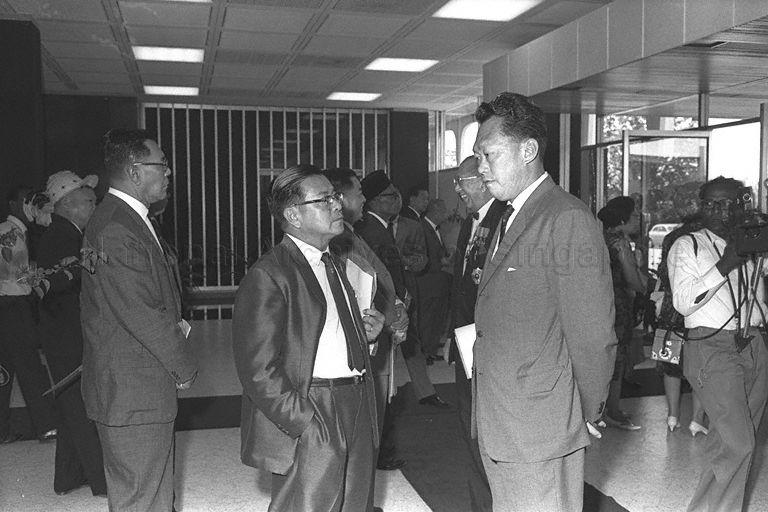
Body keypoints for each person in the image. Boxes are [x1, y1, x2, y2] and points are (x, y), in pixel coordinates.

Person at [472, 92, 616, 512]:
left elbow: (592, 331)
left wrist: (585, 411)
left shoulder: (565, 217)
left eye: (489, 154)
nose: (481, 168)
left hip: (541, 425)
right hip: (504, 417)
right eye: (478, 157)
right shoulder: (512, 214)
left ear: (528, 150)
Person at [232, 165, 384, 512]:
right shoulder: (269, 274)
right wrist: (303, 421)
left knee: (355, 504)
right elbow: (257, 369)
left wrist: (367, 337)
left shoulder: (335, 263)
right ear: (293, 215)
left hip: (356, 399)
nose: (337, 205)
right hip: (313, 403)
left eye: (335, 196)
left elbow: (327, 334)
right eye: (324, 199)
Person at [80, 129, 197, 512]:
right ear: (134, 171)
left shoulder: (126, 218)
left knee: (154, 495)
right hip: (133, 390)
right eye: (161, 164)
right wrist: (183, 366)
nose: (168, 172)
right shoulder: (116, 226)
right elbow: (141, 311)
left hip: (138, 387)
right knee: (142, 499)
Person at [668, 176, 768, 512]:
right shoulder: (688, 245)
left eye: (726, 204)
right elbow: (684, 303)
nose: (717, 211)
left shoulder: (750, 242)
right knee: (739, 443)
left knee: (731, 441)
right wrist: (725, 264)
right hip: (711, 347)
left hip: (753, 343)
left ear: (741, 205)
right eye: (710, 204)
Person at [325, 167, 408, 509]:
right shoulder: (339, 240)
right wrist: (394, 315)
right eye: (358, 192)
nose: (363, 198)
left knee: (370, 426)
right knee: (363, 430)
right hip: (365, 339)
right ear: (340, 199)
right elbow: (367, 286)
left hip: (376, 334)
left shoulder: (350, 234)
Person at [36, 171, 107, 496]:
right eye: (89, 201)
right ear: (67, 205)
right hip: (68, 335)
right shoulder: (62, 237)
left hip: (62, 334)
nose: (95, 206)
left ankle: (68, 477)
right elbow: (62, 286)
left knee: (70, 408)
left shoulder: (64, 234)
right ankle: (103, 481)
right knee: (82, 408)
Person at [356, 171, 449, 409]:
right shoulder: (370, 230)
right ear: (375, 201)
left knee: (411, 345)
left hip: (399, 297)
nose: (397, 201)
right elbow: (379, 271)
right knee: (382, 354)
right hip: (385, 301)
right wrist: (398, 297)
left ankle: (424, 393)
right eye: (391, 196)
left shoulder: (383, 227)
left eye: (397, 195)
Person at [449, 156, 505, 512]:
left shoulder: (505, 220)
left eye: (462, 181)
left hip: (490, 345)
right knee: (470, 427)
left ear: (483, 180)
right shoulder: (472, 221)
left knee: (487, 430)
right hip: (465, 341)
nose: (457, 189)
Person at [0, 185, 57, 445]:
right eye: (25, 200)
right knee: (30, 366)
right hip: (13, 306)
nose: (31, 205)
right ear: (13, 204)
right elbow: (19, 275)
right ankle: (47, 425)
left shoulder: (19, 231)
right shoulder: (10, 233)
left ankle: (2, 429)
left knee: (4, 369)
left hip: (10, 305)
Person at [655, 211, 708, 435]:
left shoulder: (672, 238)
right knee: (701, 366)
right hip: (699, 310)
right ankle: (696, 419)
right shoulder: (705, 238)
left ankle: (672, 416)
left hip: (670, 309)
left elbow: (662, 273)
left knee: (670, 365)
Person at [597, 196, 646, 431]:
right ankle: (612, 411)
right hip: (617, 307)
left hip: (599, 305)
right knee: (616, 358)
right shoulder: (620, 243)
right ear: (623, 220)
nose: (638, 219)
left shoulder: (598, 237)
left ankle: (599, 409)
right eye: (635, 215)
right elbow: (634, 281)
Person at [416, 198, 452, 361]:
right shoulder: (422, 227)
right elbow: (422, 256)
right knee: (428, 319)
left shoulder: (435, 229)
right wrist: (441, 262)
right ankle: (426, 352)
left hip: (438, 282)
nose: (446, 214)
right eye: (444, 210)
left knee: (436, 318)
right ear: (436, 211)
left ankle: (431, 348)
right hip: (428, 283)